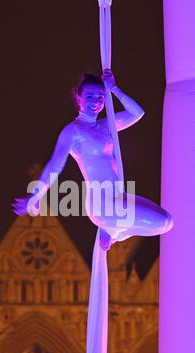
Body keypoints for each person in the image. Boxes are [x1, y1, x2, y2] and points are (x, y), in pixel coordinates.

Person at [12, 69, 173, 250]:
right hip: (102, 204)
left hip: (119, 197)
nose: (95, 102)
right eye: (89, 97)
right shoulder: (73, 131)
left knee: (166, 221)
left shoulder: (106, 125)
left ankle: (115, 232)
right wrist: (36, 196)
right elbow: (55, 165)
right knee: (164, 222)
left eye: (100, 97)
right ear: (79, 99)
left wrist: (113, 88)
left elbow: (137, 113)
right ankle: (114, 232)